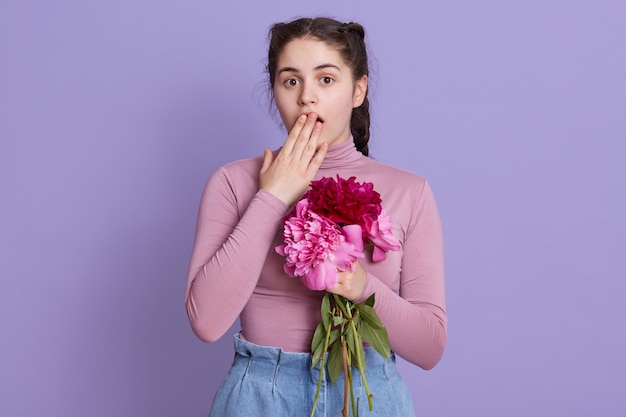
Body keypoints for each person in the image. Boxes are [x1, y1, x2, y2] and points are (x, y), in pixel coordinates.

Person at [184, 16, 447, 416]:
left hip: (367, 395)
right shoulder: (233, 183)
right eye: (291, 81)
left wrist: (363, 288)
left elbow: (430, 348)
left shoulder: (410, 191)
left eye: (326, 80)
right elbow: (206, 322)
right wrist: (272, 196)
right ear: (275, 91)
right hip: (260, 397)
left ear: (358, 89)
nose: (307, 96)